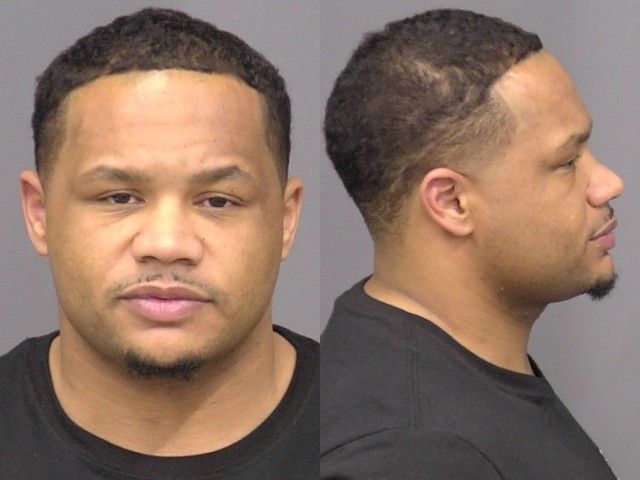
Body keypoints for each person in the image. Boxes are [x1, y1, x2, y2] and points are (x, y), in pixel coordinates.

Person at [0, 8, 317, 479]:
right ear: (39, 213)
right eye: (119, 197)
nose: (168, 244)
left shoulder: (381, 435)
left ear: (285, 220)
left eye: (218, 201)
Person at [321, 8, 623, 479]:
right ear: (452, 202)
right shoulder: (407, 454)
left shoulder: (443, 378)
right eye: (568, 162)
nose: (608, 183)